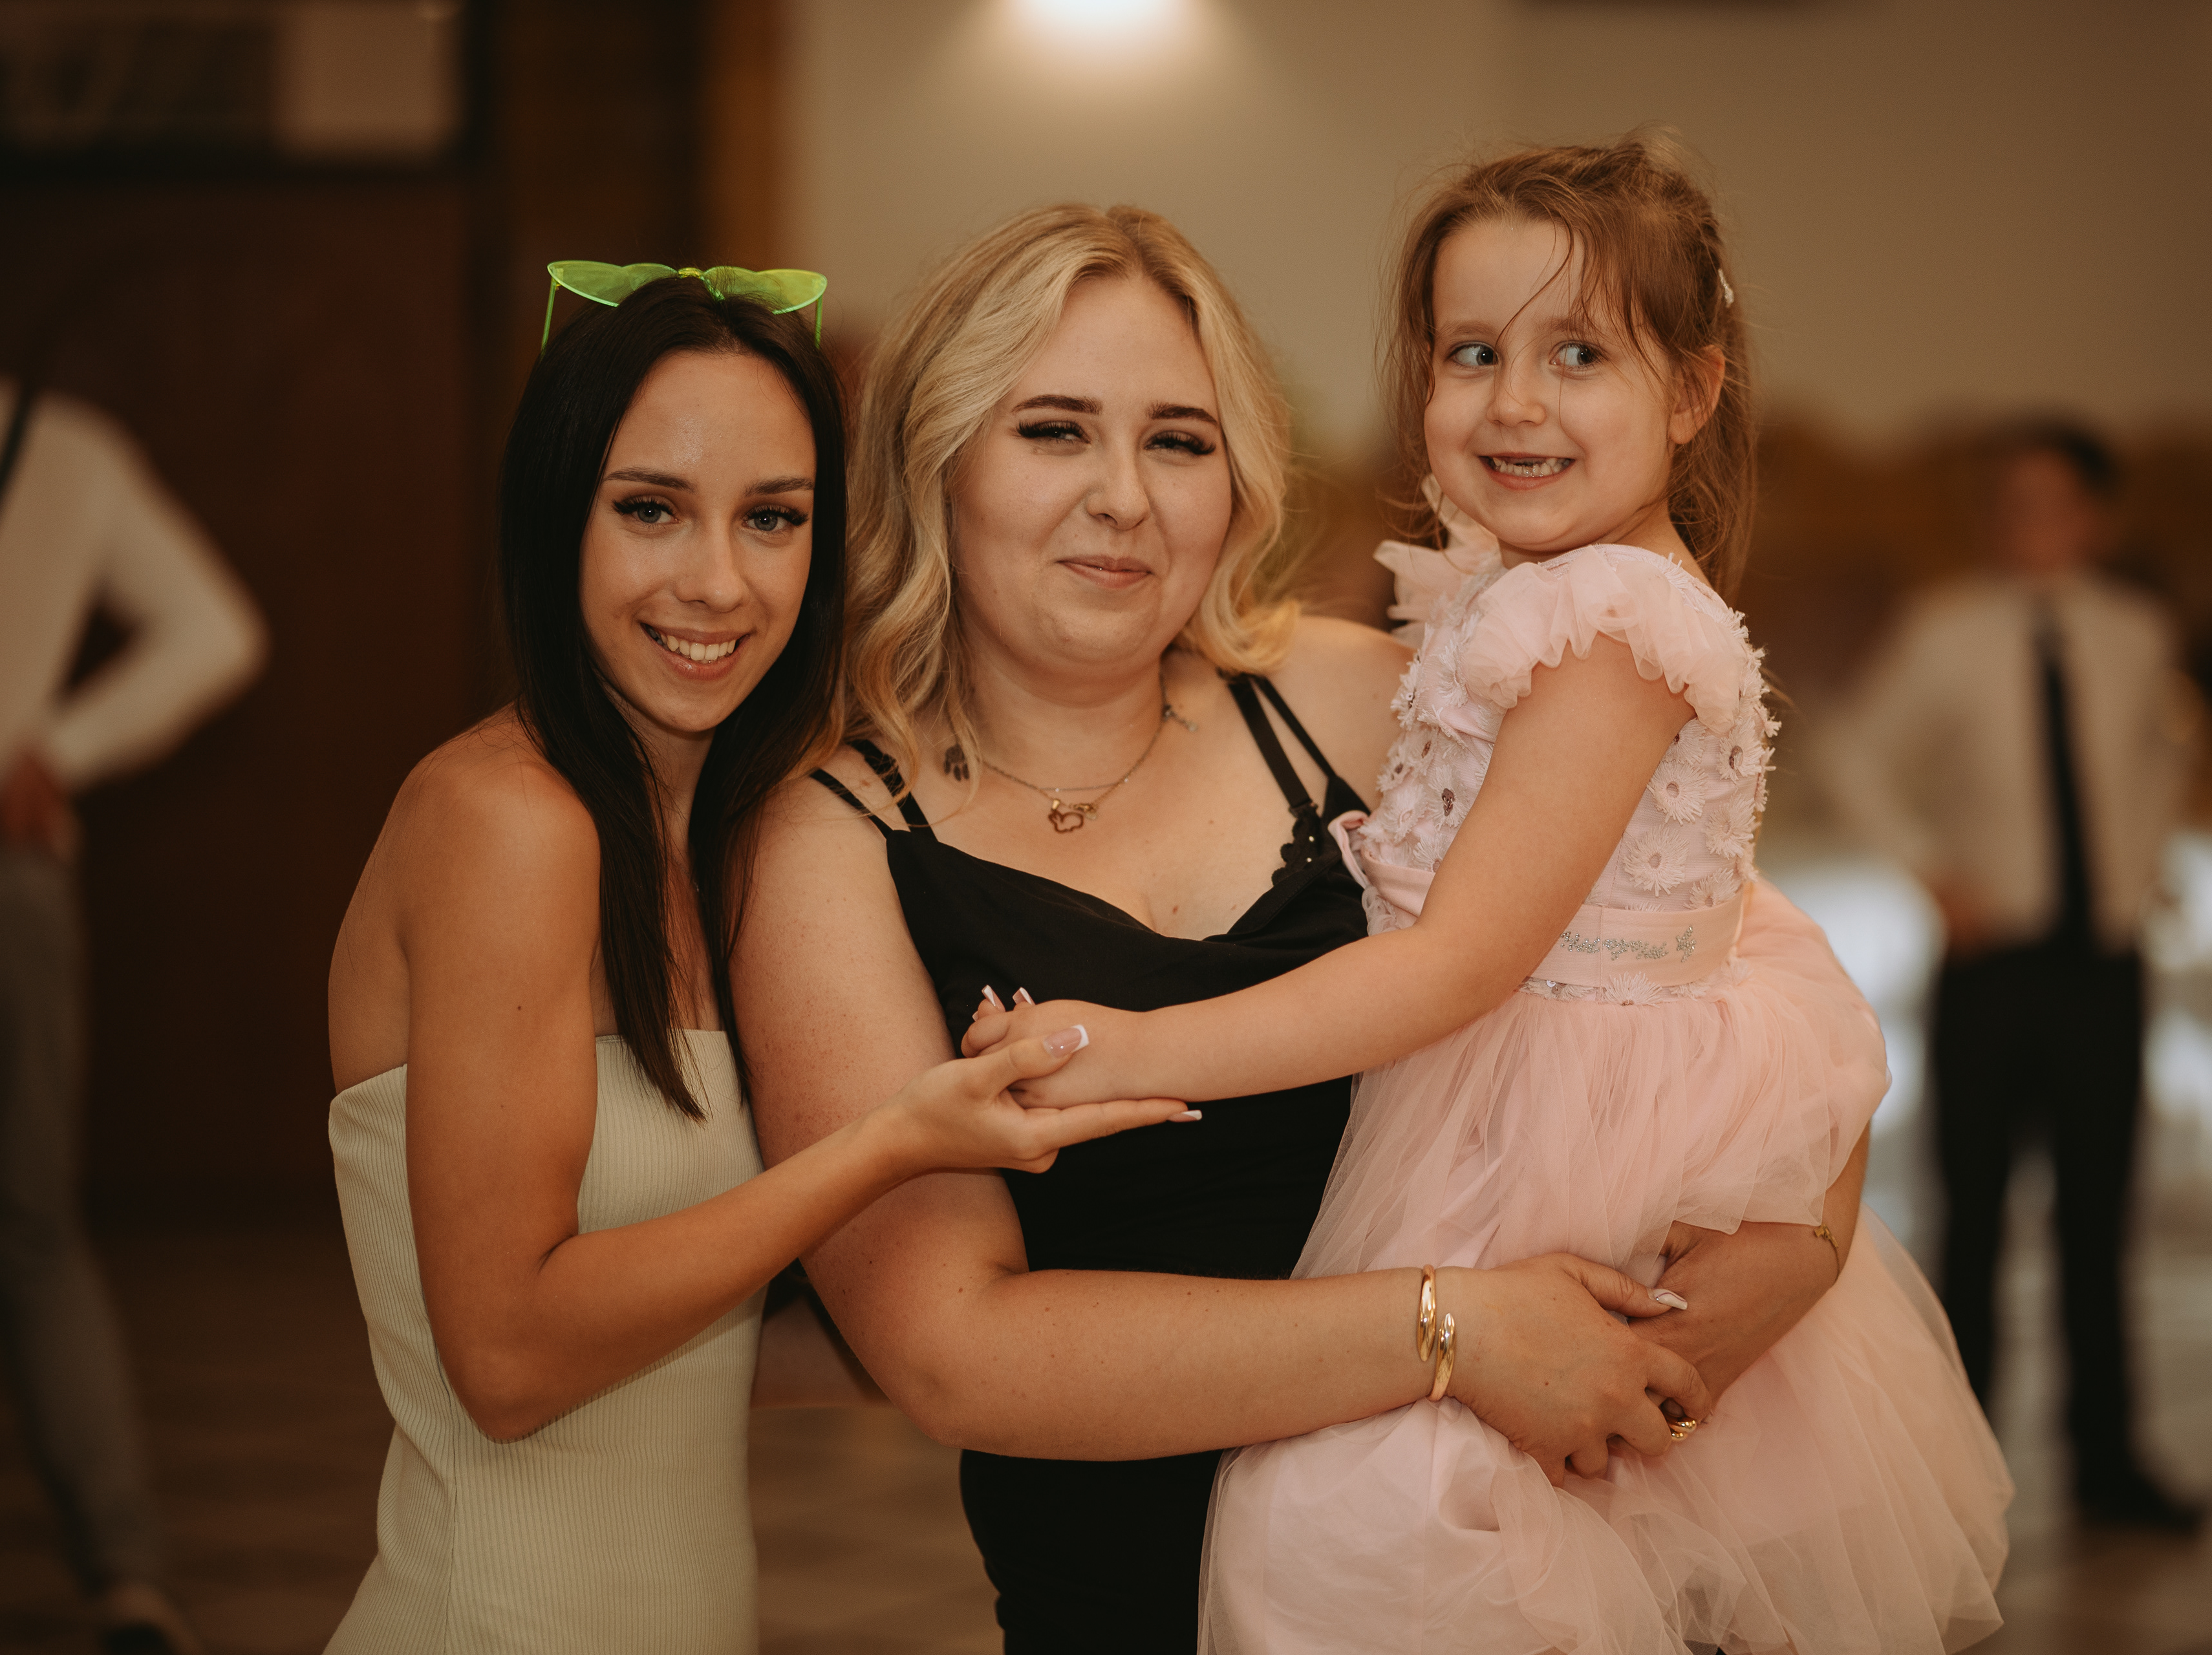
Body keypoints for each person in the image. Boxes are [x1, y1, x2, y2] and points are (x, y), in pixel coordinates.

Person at [738, 202, 1886, 1655]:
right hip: (1139, 1596)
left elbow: (1707, 949)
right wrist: (1453, 1330)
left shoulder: (1354, 703)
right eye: (1054, 431)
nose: (1124, 498)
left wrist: (1807, 1240)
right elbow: (954, 1351)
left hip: (1539, 1562)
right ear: (935, 457)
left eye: (1179, 439)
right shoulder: (830, 847)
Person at [319, 272, 1185, 1654]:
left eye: (772, 518)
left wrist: (1013, 1293)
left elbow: (699, 1350)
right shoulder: (506, 821)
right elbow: (509, 1358)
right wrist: (888, 1144)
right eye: (650, 509)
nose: (718, 581)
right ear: (554, 516)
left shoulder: (717, 839)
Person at [1825, 419, 2202, 1530]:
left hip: (2103, 964)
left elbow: (2162, 758)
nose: (2029, 522)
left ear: (2096, 517)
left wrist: (2141, 869)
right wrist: (1933, 869)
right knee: (1976, 1218)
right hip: (1992, 965)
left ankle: (2108, 1461)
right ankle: (1957, 1470)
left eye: (2053, 501)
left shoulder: (2136, 631)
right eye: (2010, 502)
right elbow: (1854, 752)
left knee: (2098, 1217)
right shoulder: (1946, 631)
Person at [0, 275, 265, 1651]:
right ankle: (126, 1575)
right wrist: (55, 751)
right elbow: (219, 630)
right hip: (0, 867)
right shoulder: (63, 447)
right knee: (32, 1234)